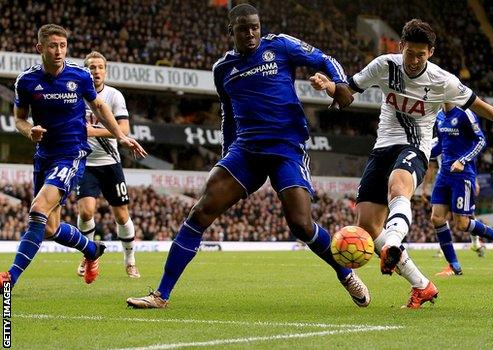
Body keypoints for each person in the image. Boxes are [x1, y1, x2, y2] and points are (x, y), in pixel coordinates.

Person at [126, 4, 368, 309]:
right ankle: (161, 295)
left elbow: (324, 58)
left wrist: (341, 84)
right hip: (246, 152)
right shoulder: (222, 69)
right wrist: (226, 154)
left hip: (286, 150)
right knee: (200, 212)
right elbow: (227, 114)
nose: (251, 33)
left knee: (301, 225)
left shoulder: (279, 45)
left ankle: (345, 274)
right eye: (244, 28)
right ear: (231, 31)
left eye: (255, 26)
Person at [310, 19, 493, 308]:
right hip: (382, 147)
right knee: (366, 224)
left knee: (398, 187)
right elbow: (348, 92)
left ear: (431, 52)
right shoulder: (384, 66)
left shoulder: (443, 80)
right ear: (401, 46)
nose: (415, 60)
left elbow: (478, 104)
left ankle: (393, 242)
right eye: (410, 53)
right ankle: (422, 284)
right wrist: (328, 85)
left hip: (415, 147)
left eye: (421, 54)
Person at [0, 24, 146, 287]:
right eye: (53, 46)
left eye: (63, 46)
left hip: (72, 155)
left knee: (37, 210)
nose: (59, 51)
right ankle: (92, 250)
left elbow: (99, 107)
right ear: (40, 48)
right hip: (44, 155)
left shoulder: (79, 76)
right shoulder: (27, 81)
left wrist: (121, 136)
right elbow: (19, 119)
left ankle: (10, 278)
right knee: (49, 228)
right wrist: (28, 131)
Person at [75, 51, 140, 279]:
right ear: (86, 71)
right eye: (91, 67)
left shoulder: (114, 95)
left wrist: (93, 130)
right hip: (85, 163)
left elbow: (124, 130)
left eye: (99, 67)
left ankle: (130, 260)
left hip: (110, 162)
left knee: (122, 216)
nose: (96, 71)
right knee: (86, 212)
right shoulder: (76, 96)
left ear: (105, 70)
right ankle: (89, 255)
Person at [429, 104, 493, 277]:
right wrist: (423, 152)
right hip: (444, 173)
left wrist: (463, 160)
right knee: (436, 218)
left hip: (462, 174)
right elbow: (441, 145)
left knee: (462, 224)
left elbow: (481, 141)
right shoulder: (439, 115)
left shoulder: (465, 113)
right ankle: (453, 265)